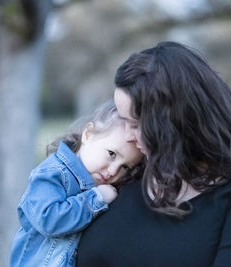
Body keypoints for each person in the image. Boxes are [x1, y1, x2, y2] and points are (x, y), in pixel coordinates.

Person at [76, 41, 231, 266]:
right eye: (124, 121)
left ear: (177, 124)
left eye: (135, 124)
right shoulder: (126, 172)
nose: (127, 137)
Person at [9, 100, 143, 267]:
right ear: (88, 134)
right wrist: (96, 198)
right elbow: (49, 220)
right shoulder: (53, 173)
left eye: (125, 167)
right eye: (112, 154)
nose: (114, 171)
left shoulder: (102, 185)